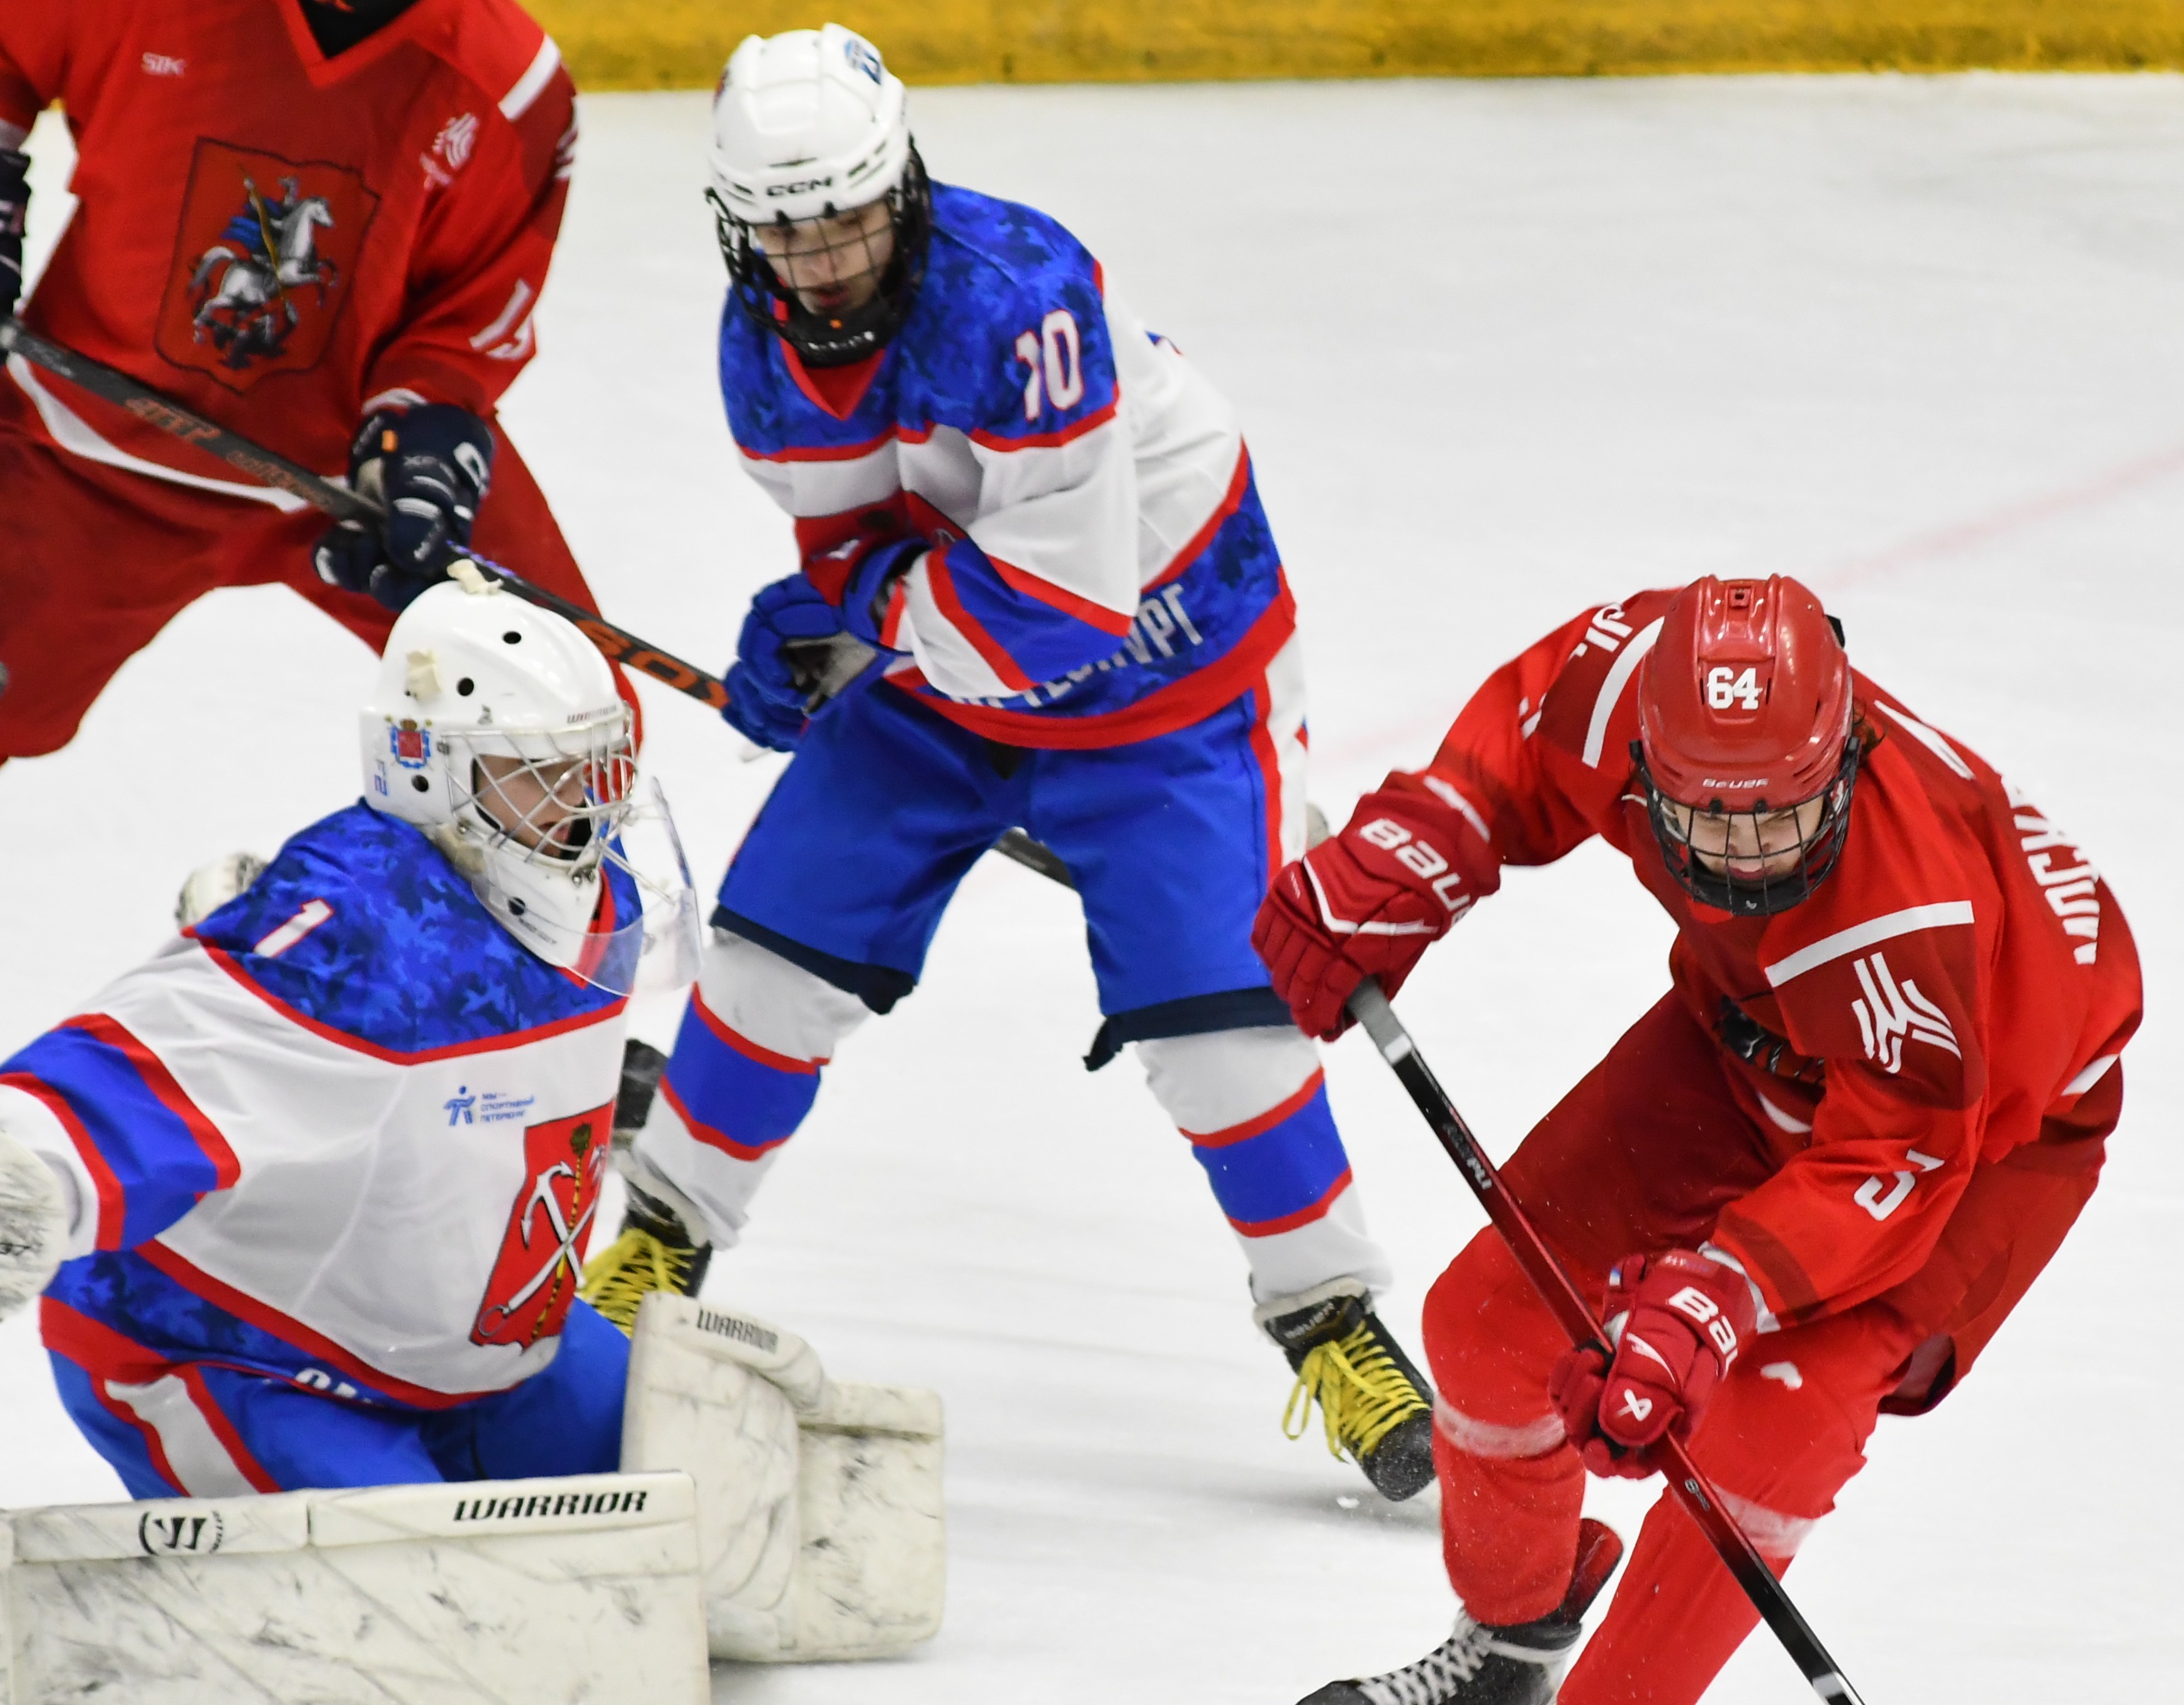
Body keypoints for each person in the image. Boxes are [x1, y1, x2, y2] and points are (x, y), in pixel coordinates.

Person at [580, 26, 1432, 1499]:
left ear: (899, 181)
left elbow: (1055, 617)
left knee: (1224, 1034)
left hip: (1170, 670)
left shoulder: (1017, 296)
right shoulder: (761, 347)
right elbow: (861, 550)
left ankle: (1330, 1316)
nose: (825, 254)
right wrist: (834, 633)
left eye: (847, 211)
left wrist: (848, 621)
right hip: (944, 677)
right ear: (740, 226)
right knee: (768, 964)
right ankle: (661, 1235)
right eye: (787, 228)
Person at [1251, 573, 2142, 1705]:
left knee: (1765, 1438)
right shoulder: (1633, 689)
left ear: (1846, 753)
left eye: (1775, 813)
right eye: (1704, 816)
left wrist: (1704, 1312)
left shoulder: (1911, 916)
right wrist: (1420, 847)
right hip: (1749, 1042)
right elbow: (1522, 737)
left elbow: (1891, 1156)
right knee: (1489, 1328)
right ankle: (1512, 1644)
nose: (1737, 852)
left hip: (1978, 1143)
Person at [0, 575, 672, 1497]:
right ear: (429, 765)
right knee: (439, 1619)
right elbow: (154, 1062)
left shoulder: (599, 883)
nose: (582, 808)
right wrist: (29, 1173)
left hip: (479, 1352)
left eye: (595, 767)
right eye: (539, 771)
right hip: (240, 1353)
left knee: (714, 1495)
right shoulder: (354, 936)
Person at [0, 0, 613, 762]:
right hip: (82, 448)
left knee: (566, 726)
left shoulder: (511, 85)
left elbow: (467, 314)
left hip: (349, 481)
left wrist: (419, 430)